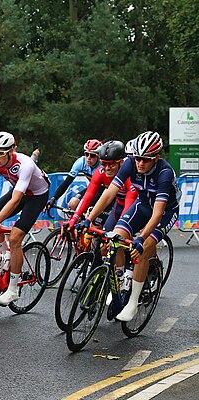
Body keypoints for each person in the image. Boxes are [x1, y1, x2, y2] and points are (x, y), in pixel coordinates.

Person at [80, 131, 179, 321]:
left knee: (141, 249)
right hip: (142, 206)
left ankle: (133, 302)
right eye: (138, 158)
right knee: (113, 239)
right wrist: (89, 218)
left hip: (165, 212)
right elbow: (109, 193)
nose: (140, 163)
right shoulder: (129, 164)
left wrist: (141, 239)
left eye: (146, 160)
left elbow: (158, 213)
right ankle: (121, 279)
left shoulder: (164, 173)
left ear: (156, 158)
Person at [0, 131, 50, 305]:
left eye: (0, 153)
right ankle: (5, 253)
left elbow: (16, 199)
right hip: (18, 190)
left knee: (15, 237)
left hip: (37, 196)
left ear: (12, 151)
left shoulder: (25, 164)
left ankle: (13, 289)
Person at [66, 140, 137, 233]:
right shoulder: (100, 173)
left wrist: (121, 229)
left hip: (135, 206)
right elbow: (88, 196)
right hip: (118, 204)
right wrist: (75, 219)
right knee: (99, 236)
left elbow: (129, 205)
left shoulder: (130, 177)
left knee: (121, 235)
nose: (107, 168)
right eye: (104, 163)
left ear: (121, 162)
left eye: (111, 164)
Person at [46, 139, 102, 211]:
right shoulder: (81, 162)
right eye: (86, 154)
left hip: (104, 189)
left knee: (87, 208)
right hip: (92, 187)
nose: (88, 158)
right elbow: (67, 182)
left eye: (92, 155)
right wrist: (54, 198)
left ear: (98, 156)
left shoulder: (103, 165)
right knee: (72, 204)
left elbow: (102, 189)